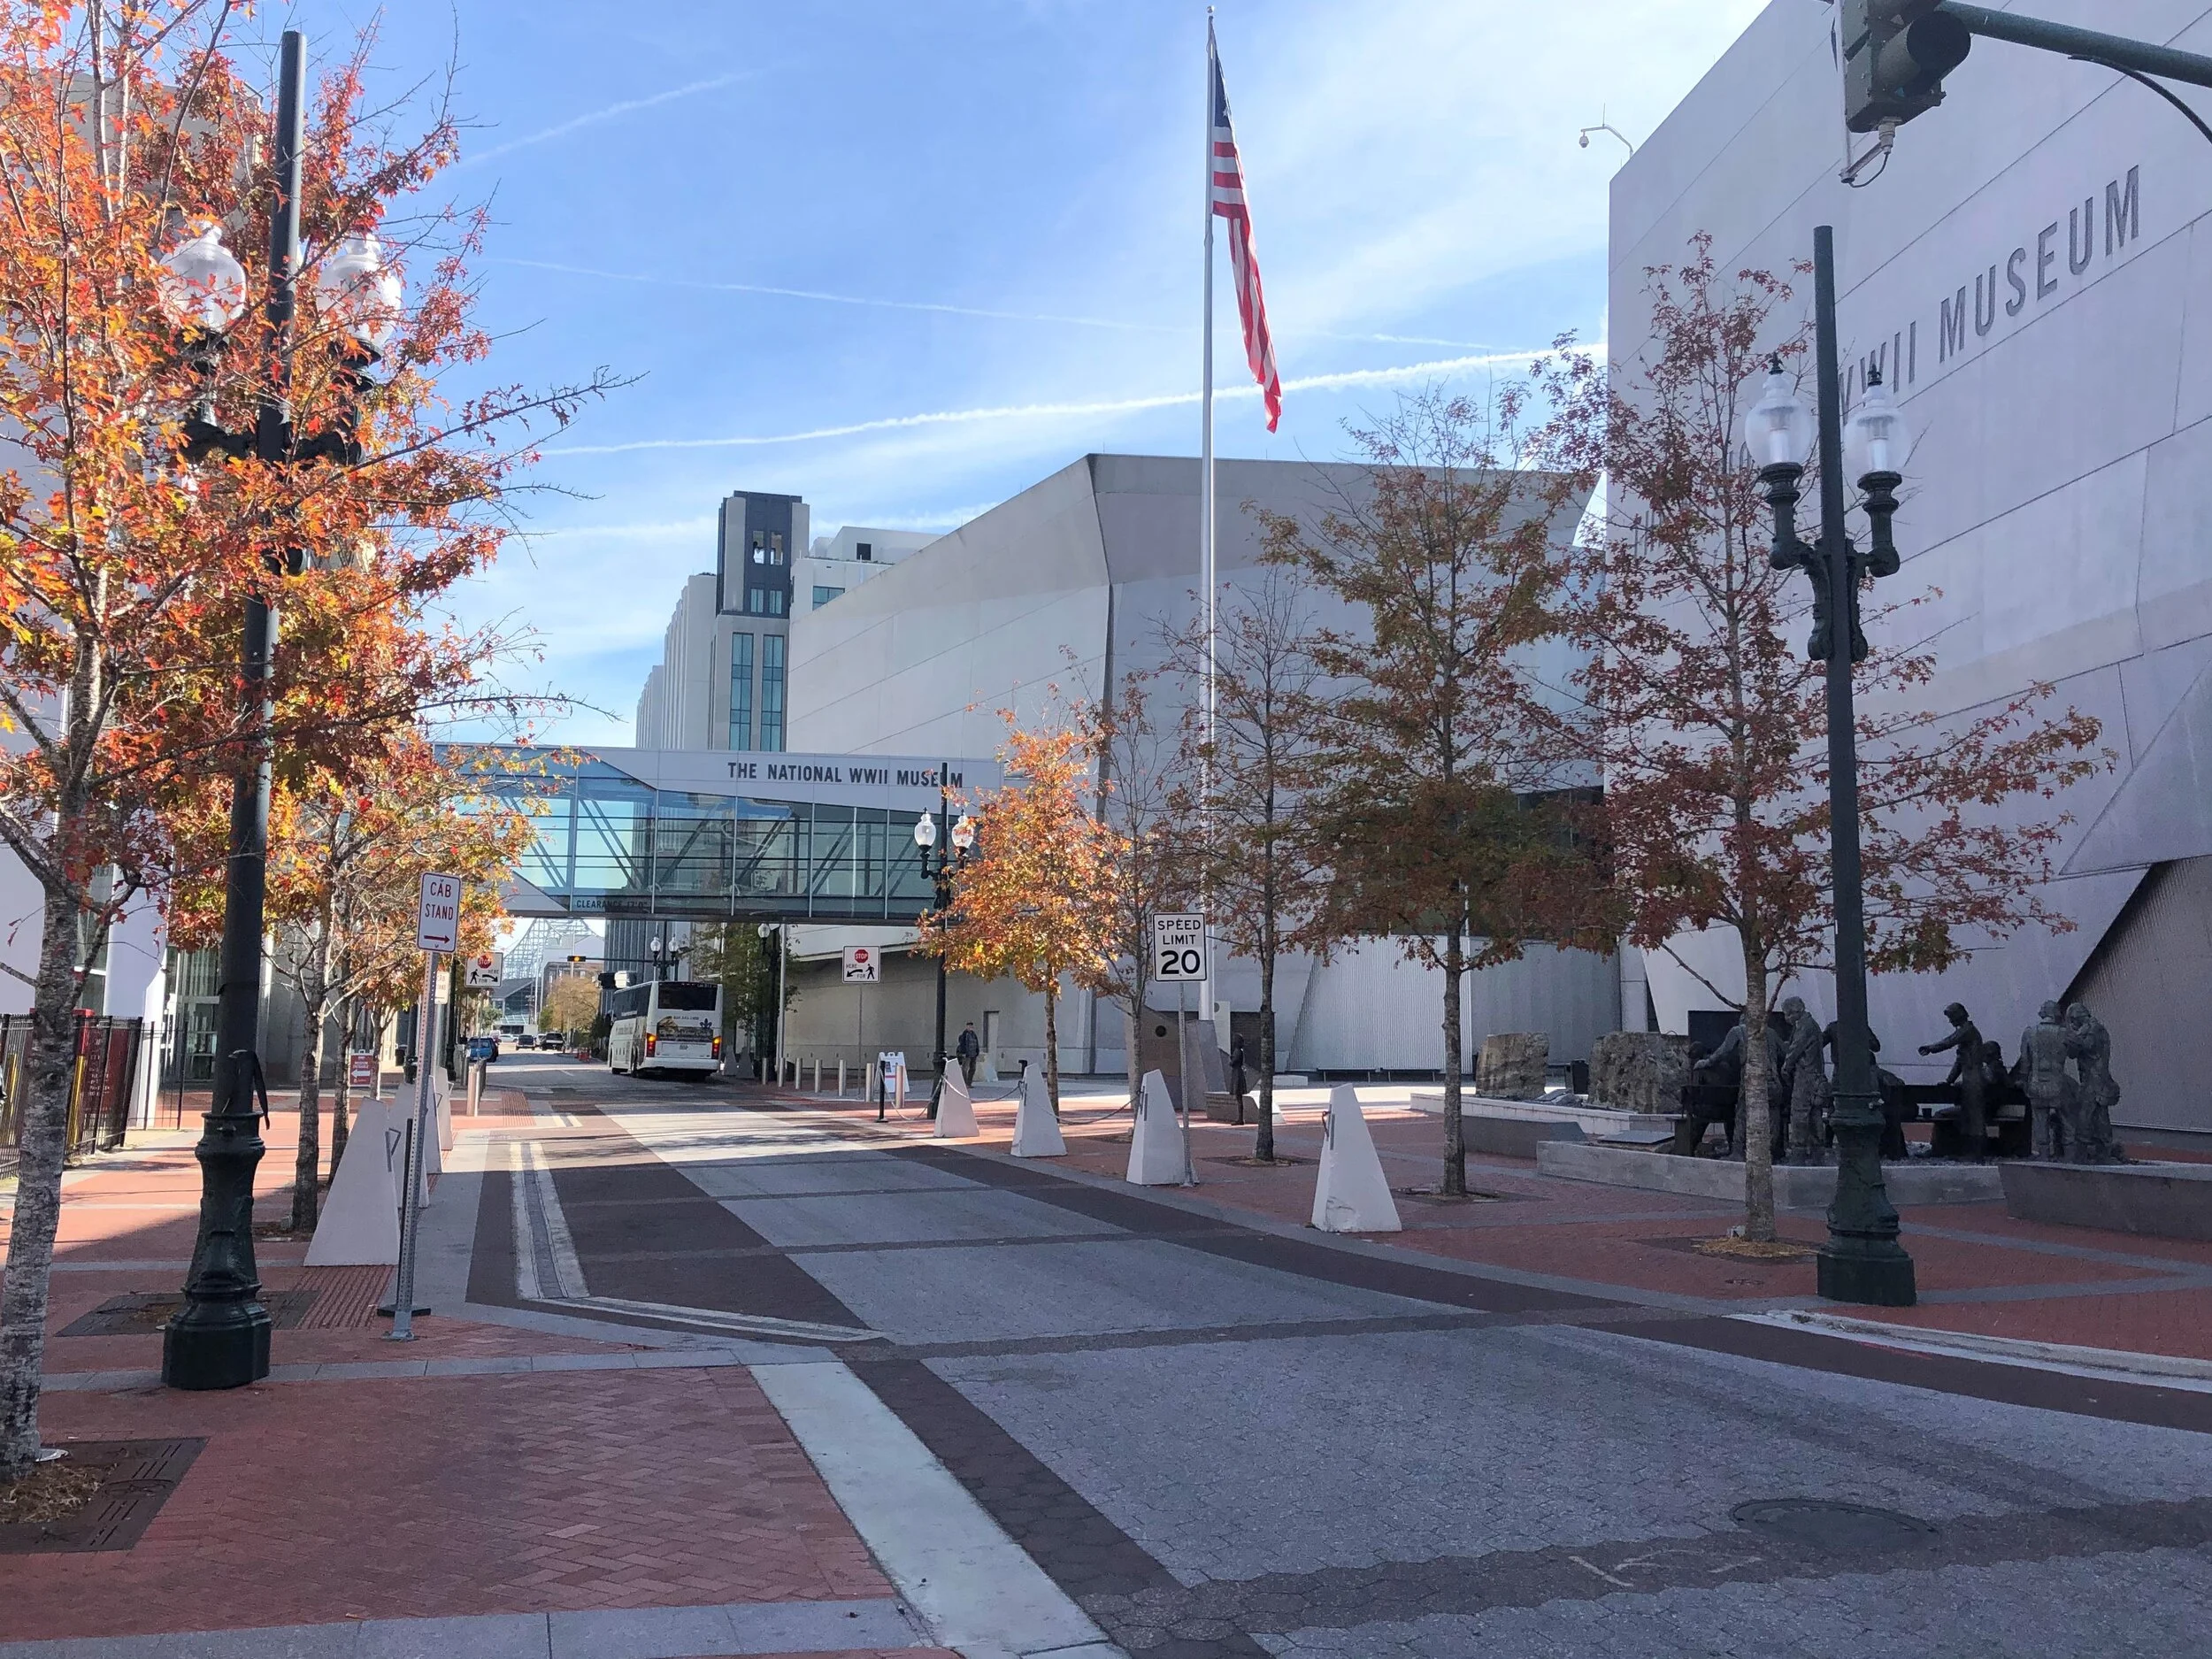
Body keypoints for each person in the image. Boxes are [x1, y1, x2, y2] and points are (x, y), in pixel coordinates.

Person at [1920, 1003, 1987, 1161]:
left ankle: (1976, 1153)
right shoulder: (1965, 1033)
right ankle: (1968, 1151)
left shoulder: (1968, 1031)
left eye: (1951, 1018)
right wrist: (1949, 1080)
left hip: (1975, 1078)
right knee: (1968, 1115)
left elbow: (1949, 1041)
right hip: (1969, 1077)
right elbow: (1959, 1061)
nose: (1950, 1022)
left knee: (1974, 1116)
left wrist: (1930, 1048)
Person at [955, 1021, 980, 1087]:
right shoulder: (964, 1034)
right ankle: (965, 1083)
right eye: (969, 1026)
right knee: (965, 1069)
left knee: (973, 1069)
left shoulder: (974, 1035)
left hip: (973, 1054)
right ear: (967, 1027)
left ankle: (969, 1083)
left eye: (971, 1026)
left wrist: (977, 1052)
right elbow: (962, 1044)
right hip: (967, 1055)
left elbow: (976, 1043)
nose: (970, 1027)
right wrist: (963, 1053)